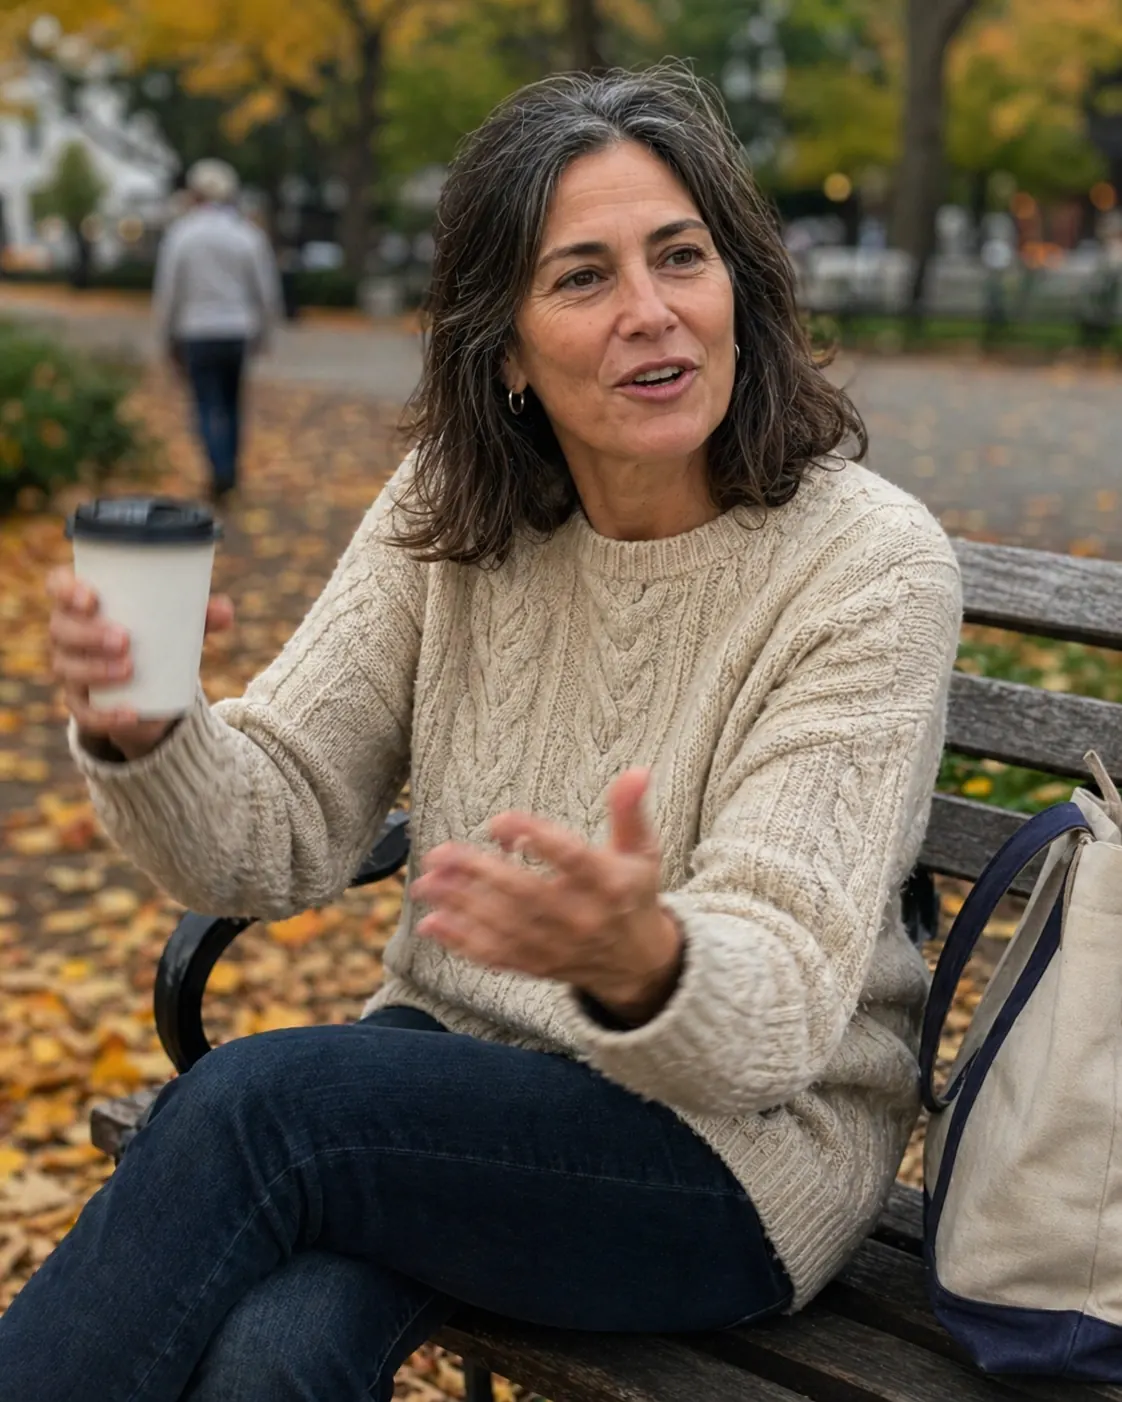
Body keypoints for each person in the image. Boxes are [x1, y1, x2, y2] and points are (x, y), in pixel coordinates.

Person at [2, 64, 961, 1402]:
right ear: (501, 346)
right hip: (448, 1095)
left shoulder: (864, 564)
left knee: (250, 1110)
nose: (649, 311)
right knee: (270, 1350)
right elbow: (273, 825)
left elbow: (784, 996)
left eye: (678, 256)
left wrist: (643, 962)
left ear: (738, 282)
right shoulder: (448, 512)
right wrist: (152, 731)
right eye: (580, 277)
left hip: (729, 1152)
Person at [153, 158, 283, 503]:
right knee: (233, 402)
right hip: (237, 330)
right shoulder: (246, 235)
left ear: (193, 193)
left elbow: (168, 292)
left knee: (207, 404)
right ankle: (232, 470)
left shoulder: (181, 235)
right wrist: (265, 333)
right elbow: (266, 290)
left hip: (195, 331)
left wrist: (165, 337)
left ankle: (218, 469)